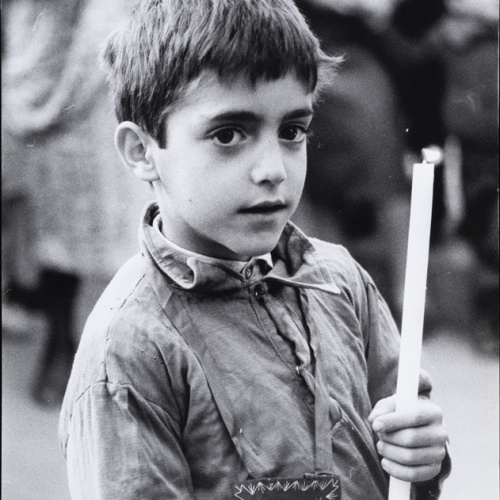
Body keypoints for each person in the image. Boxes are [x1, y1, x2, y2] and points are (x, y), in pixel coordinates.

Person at [58, 0, 450, 498]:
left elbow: (403, 467)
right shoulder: (131, 349)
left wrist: (421, 458)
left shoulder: (342, 282)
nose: (273, 170)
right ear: (142, 151)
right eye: (228, 135)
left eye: (292, 131)